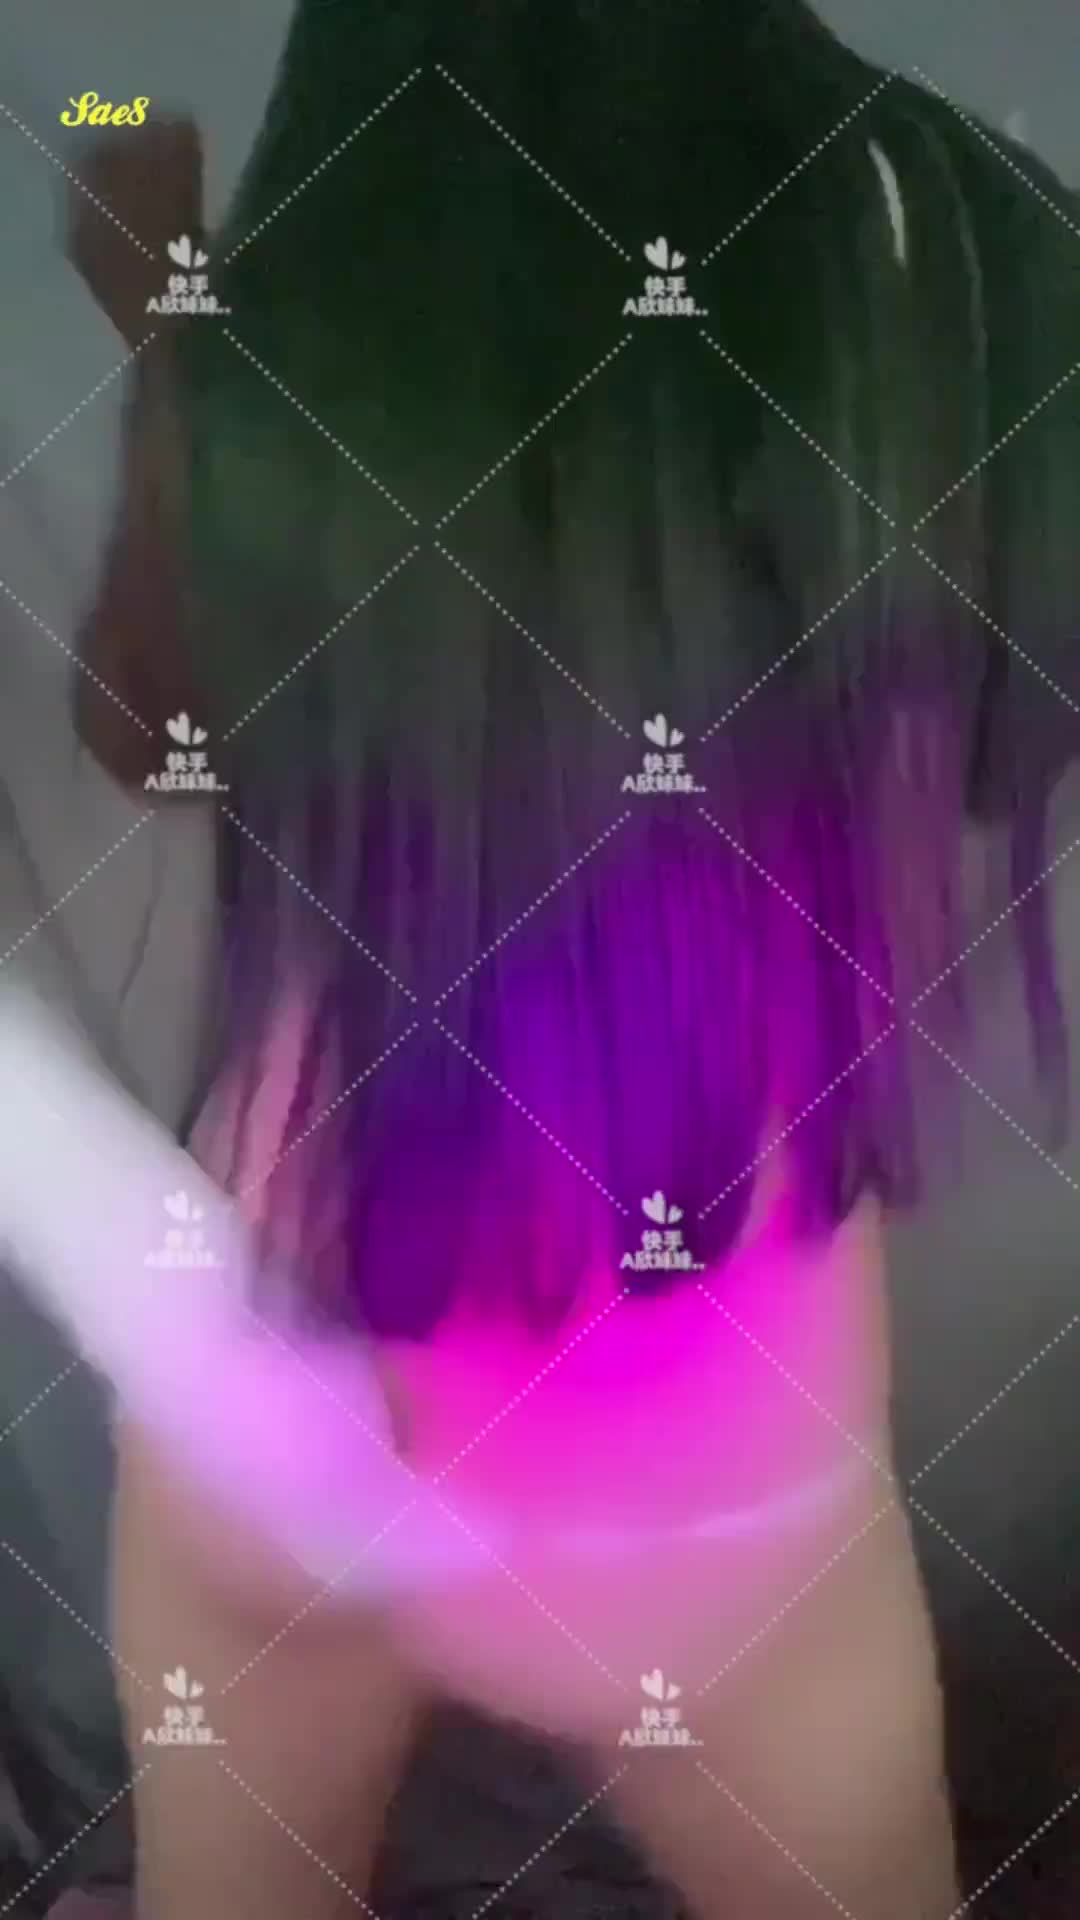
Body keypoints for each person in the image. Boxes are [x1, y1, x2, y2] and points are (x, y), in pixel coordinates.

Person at [65, 1, 1080, 1914]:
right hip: (689, 1455)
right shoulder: (904, 214)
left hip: (272, 1385)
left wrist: (169, 321)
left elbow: (149, 726)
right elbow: (1017, 734)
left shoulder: (331, 236)